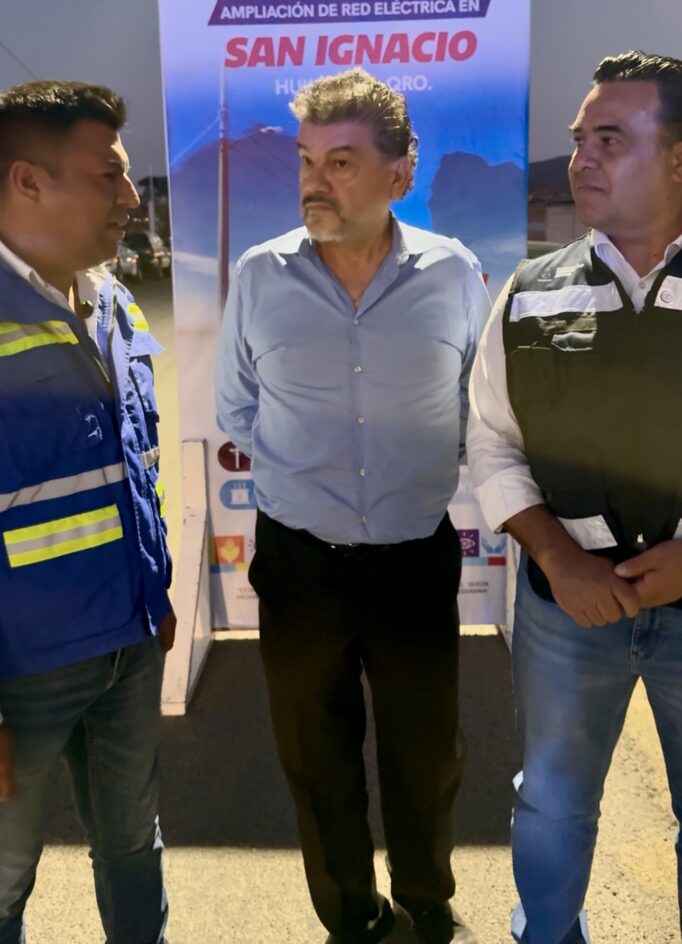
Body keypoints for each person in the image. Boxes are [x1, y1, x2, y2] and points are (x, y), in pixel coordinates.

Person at [215, 68, 489, 944]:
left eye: (340, 162)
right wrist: (312, 471)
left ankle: (426, 898)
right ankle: (349, 913)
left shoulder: (455, 273)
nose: (314, 181)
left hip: (414, 555)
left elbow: (477, 402)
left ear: (400, 174)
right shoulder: (260, 275)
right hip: (300, 560)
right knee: (314, 753)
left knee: (427, 751)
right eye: (306, 160)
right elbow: (235, 407)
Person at [467, 50, 682, 943]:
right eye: (579, 139)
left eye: (610, 139)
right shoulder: (528, 295)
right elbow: (491, 442)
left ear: (679, 158)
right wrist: (558, 560)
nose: (581, 159)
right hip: (567, 610)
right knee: (552, 801)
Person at [0, 80, 175, 944]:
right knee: (3, 880)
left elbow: (136, 465)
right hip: (20, 674)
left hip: (128, 648)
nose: (131, 197)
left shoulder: (112, 302)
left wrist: (157, 590)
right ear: (27, 182)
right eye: (108, 176)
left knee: (133, 848)